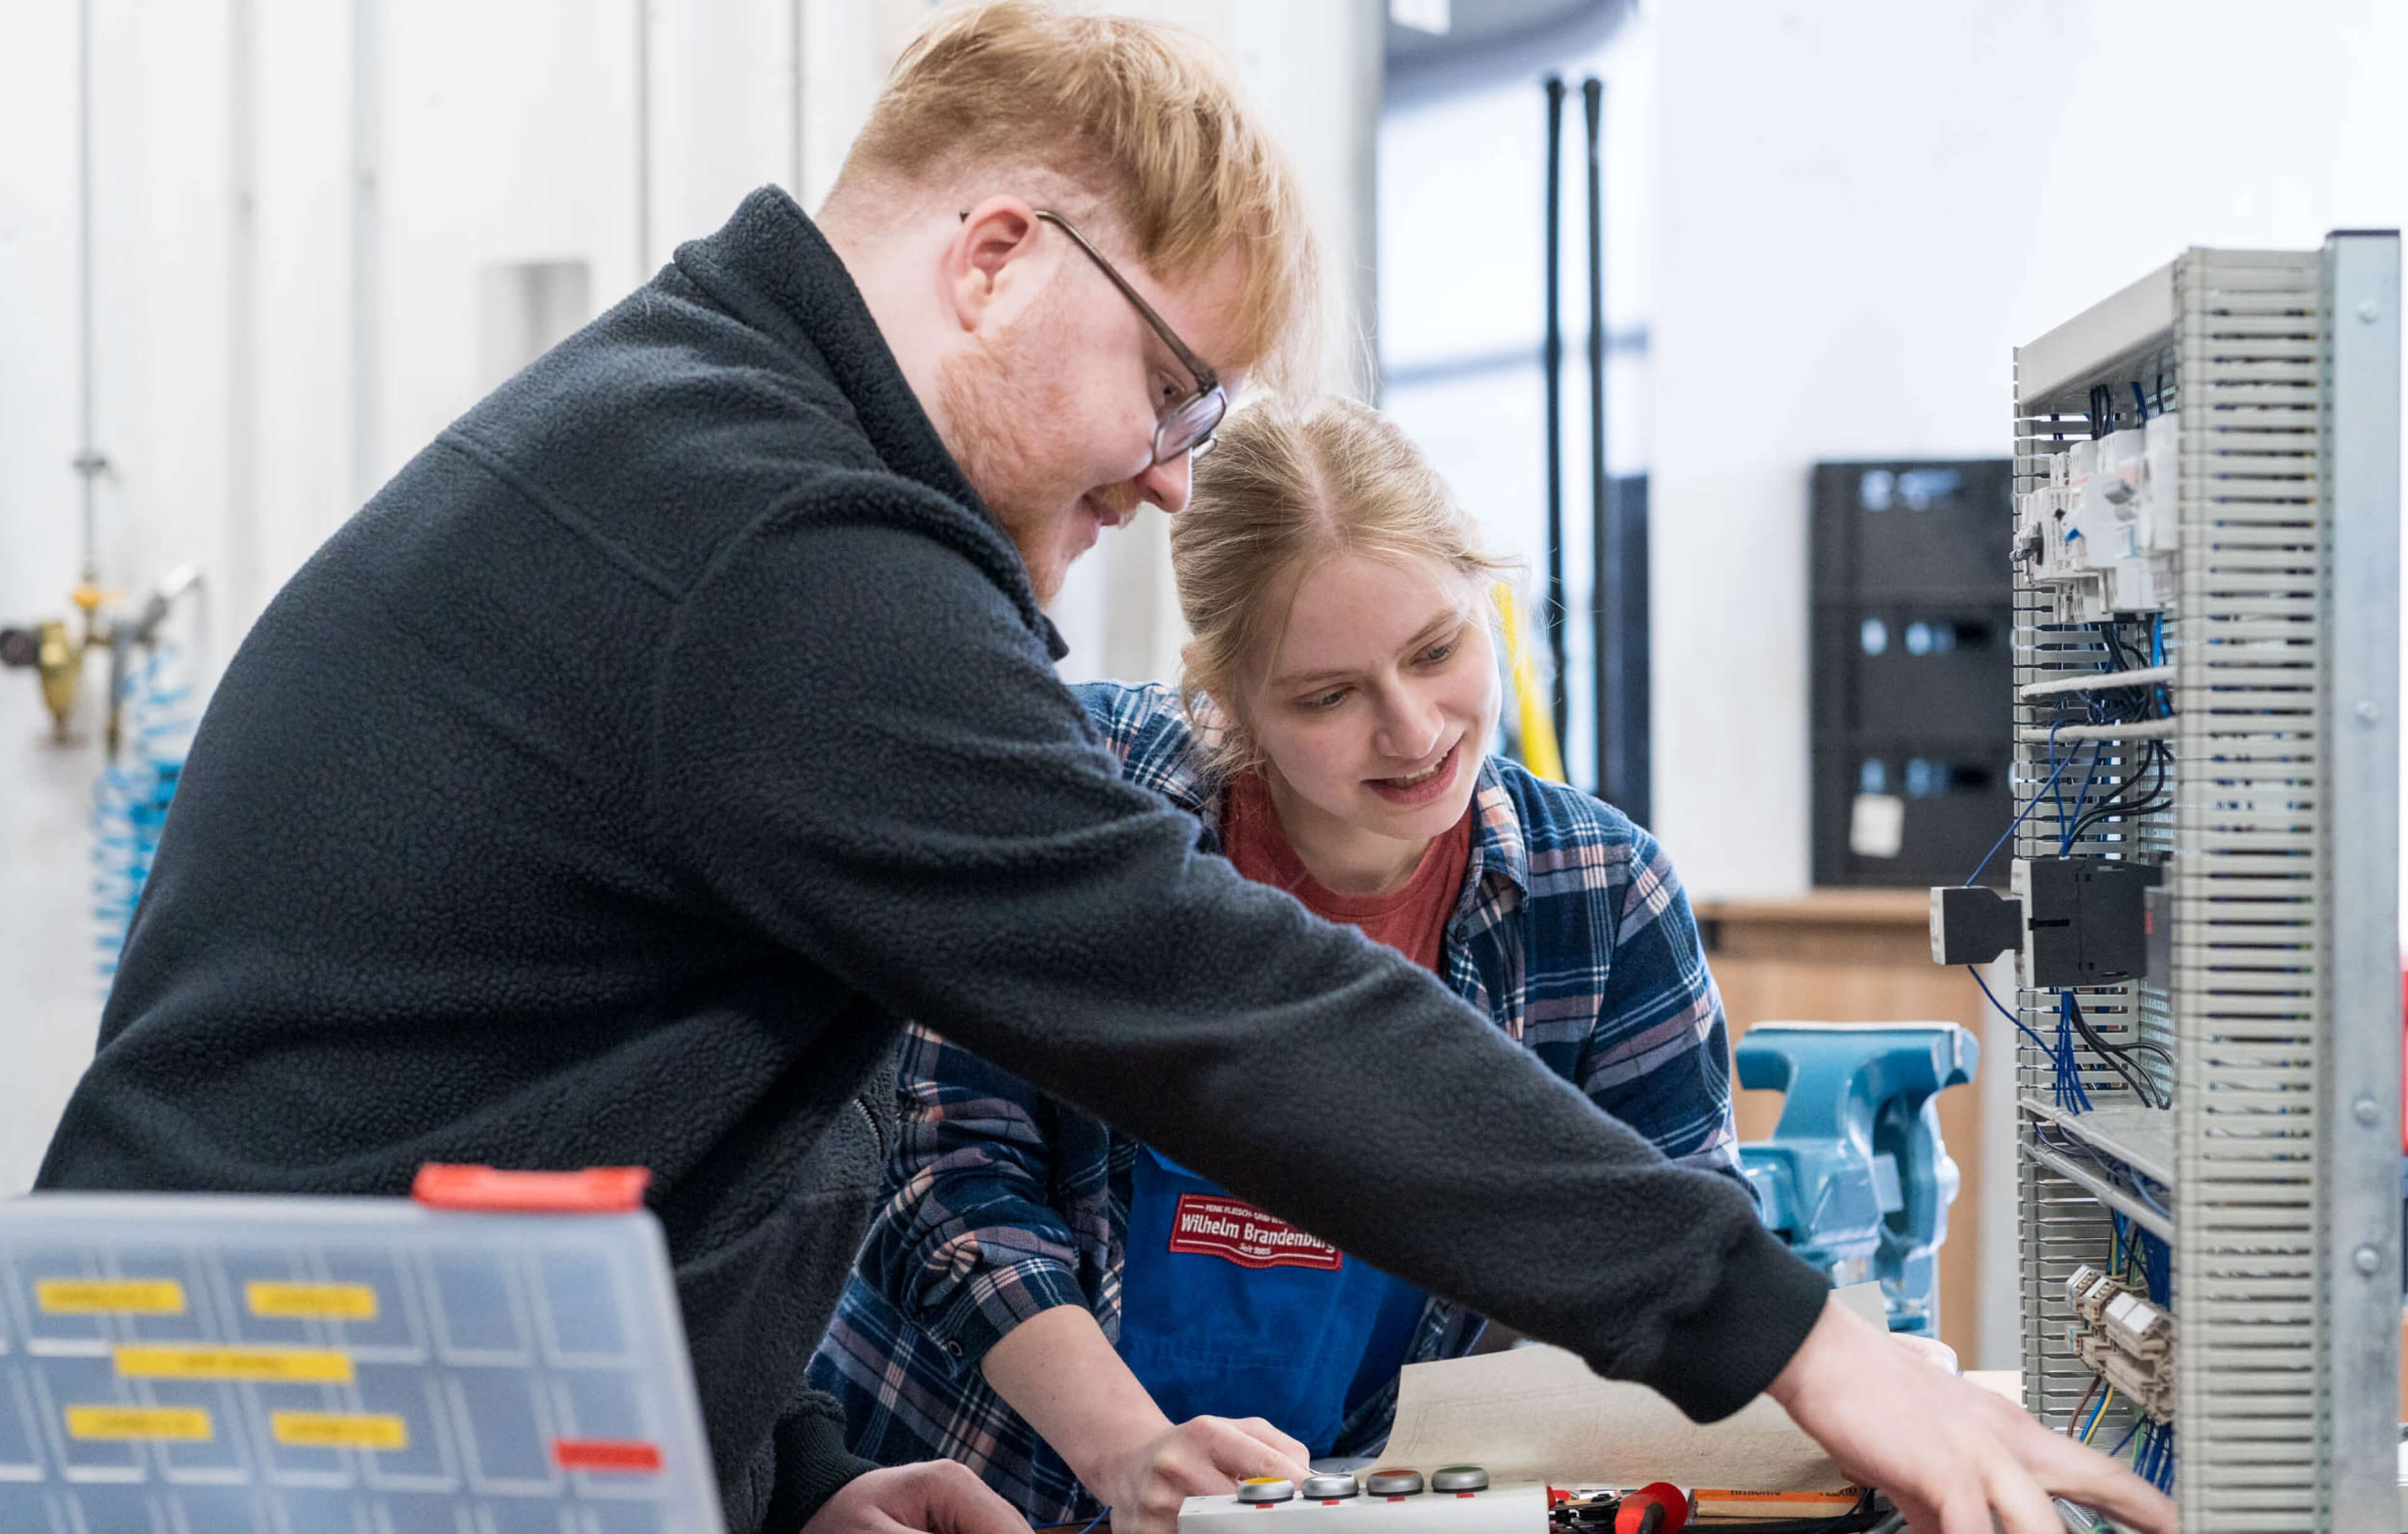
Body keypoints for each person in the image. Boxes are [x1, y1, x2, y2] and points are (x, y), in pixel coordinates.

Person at [31, 6, 2171, 1534]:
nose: (1164, 474)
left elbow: (592, 1075)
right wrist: (1812, 1336)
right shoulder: (787, 548)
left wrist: (790, 1469)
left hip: (349, 1397)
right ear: (993, 260)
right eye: (1166, 383)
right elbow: (1220, 994)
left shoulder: (698, 455)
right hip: (289, 1436)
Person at [811, 395, 1758, 1532]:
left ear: (1484, 595)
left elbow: (1671, 1253)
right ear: (1228, 700)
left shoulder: (1602, 900)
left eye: (1437, 649)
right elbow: (943, 1172)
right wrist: (1134, 1453)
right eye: (1329, 696)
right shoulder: (1076, 788)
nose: (1411, 730)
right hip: (973, 1485)